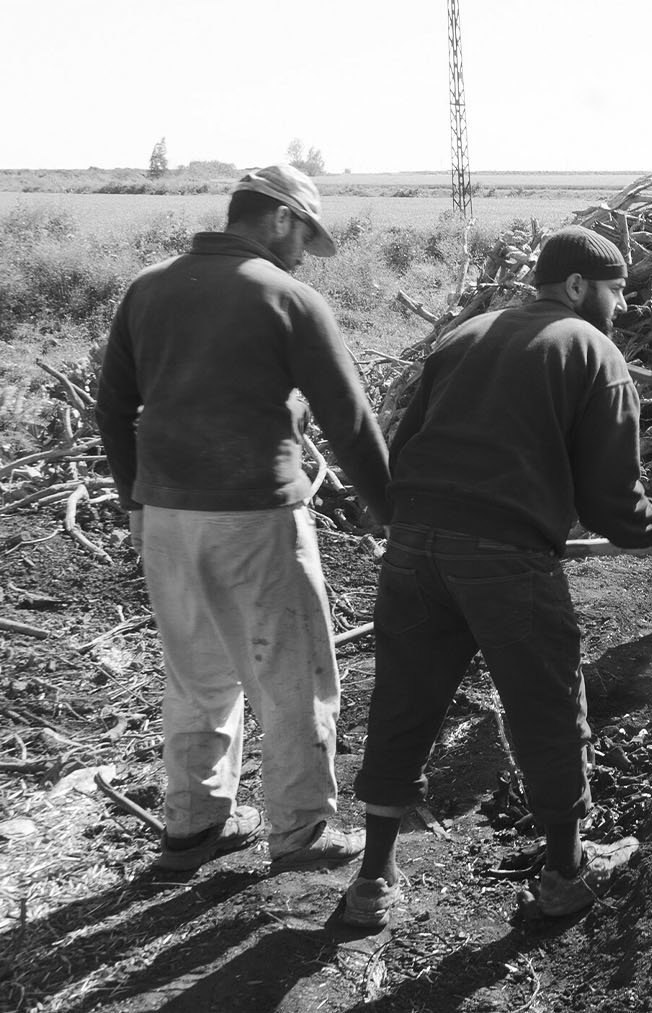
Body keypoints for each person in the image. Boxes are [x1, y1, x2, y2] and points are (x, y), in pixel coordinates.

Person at [343, 226, 652, 928]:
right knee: (548, 705)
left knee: (404, 702)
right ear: (577, 286)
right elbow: (613, 500)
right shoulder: (591, 351)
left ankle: (371, 880)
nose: (623, 308)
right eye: (615, 290)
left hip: (414, 546)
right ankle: (567, 876)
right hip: (504, 559)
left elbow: (405, 438)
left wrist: (420, 524)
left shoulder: (467, 334)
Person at [94, 164, 391, 874]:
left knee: (196, 677)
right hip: (256, 516)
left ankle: (192, 825)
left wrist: (136, 500)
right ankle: (301, 831)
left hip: (166, 515)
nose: (301, 253)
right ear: (282, 218)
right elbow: (349, 423)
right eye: (303, 236)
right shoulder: (287, 297)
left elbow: (113, 407)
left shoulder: (149, 286)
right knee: (291, 673)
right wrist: (397, 516)